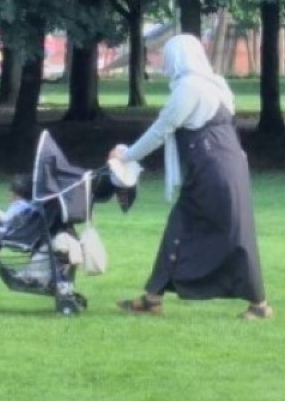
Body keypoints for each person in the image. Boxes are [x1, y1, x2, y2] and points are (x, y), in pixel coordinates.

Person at [108, 34, 273, 320]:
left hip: (212, 169)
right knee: (188, 226)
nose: (164, 63)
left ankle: (259, 305)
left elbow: (160, 130)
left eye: (167, 56)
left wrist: (126, 156)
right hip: (225, 164)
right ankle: (153, 298)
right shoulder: (216, 84)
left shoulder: (190, 88)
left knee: (229, 233)